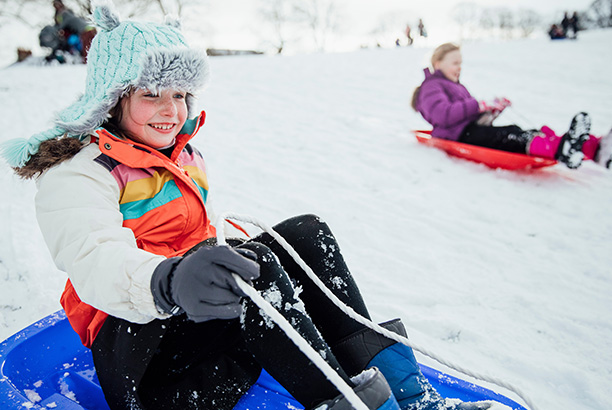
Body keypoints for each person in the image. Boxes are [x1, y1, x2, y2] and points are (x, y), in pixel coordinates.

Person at [0, 5, 518, 410]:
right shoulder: (80, 171)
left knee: (305, 232)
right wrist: (169, 278)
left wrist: (214, 257)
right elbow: (93, 259)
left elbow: (191, 235)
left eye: (180, 93)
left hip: (201, 328)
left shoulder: (178, 152)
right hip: (147, 363)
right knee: (256, 271)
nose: (170, 109)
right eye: (151, 93)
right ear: (113, 97)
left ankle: (409, 396)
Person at [411, 43, 612, 169]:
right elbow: (443, 115)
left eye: (461, 62)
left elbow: (469, 115)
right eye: (455, 62)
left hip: (471, 131)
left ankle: (592, 148)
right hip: (458, 136)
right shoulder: (430, 87)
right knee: (510, 136)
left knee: (521, 132)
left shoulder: (455, 85)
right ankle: (562, 148)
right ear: (437, 64)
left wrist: (491, 111)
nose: (459, 67)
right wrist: (478, 104)